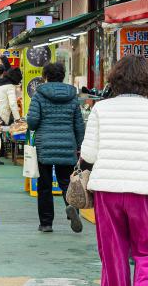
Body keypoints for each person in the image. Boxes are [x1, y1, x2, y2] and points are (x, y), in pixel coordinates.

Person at [81, 56, 148, 286]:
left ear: (115, 81)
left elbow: (88, 155)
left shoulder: (102, 109)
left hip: (107, 191)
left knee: (113, 252)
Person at [26, 62, 85, 234]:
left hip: (44, 146)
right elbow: (79, 124)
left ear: (45, 76)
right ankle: (72, 208)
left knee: (45, 185)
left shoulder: (39, 96)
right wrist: (80, 145)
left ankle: (46, 223)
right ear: (63, 75)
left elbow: (32, 122)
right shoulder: (72, 96)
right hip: (67, 145)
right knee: (68, 183)